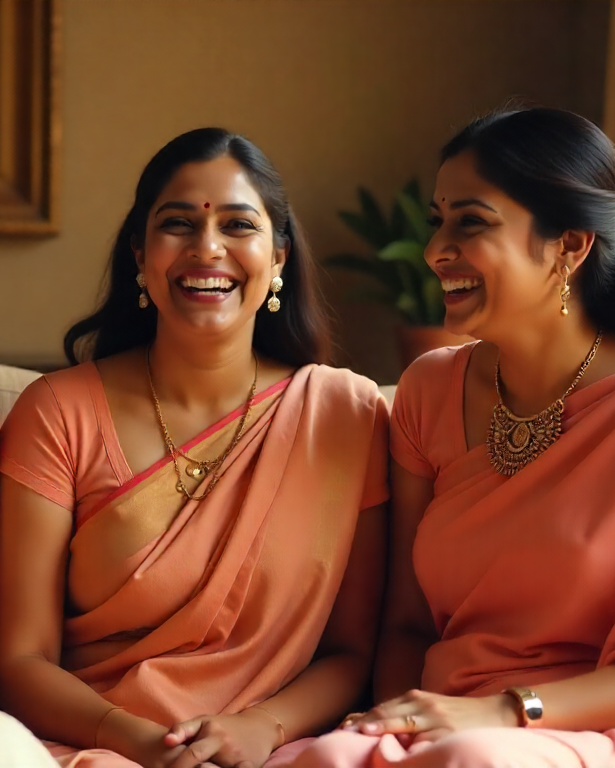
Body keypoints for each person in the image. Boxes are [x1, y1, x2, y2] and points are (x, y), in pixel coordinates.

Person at [0, 128, 388, 768]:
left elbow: (352, 652)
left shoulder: (345, 414)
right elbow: (19, 658)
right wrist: (137, 741)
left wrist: (261, 728)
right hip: (90, 742)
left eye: (238, 225)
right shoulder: (58, 412)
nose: (207, 248)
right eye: (178, 224)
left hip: (274, 747)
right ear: (140, 253)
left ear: (279, 257)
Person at [280, 107, 615, 768]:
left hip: (573, 725)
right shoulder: (430, 390)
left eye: (471, 222)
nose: (435, 250)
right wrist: (388, 732)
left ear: (569, 247)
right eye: (438, 220)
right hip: (438, 718)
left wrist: (502, 711)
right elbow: (406, 624)